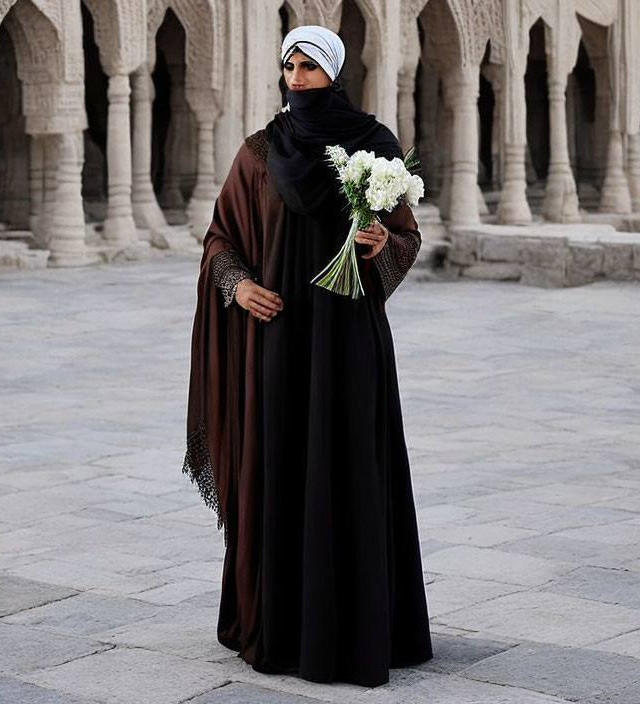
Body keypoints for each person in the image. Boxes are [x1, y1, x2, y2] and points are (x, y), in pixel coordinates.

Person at [183, 25, 432, 687]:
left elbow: (406, 231)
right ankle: (284, 625)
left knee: (351, 465)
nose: (295, 78)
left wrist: (383, 242)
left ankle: (358, 628)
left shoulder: (374, 145)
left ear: (334, 72)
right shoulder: (260, 152)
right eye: (289, 65)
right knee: (282, 463)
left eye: (308, 67)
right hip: (282, 340)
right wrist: (240, 286)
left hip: (349, 341)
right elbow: (219, 239)